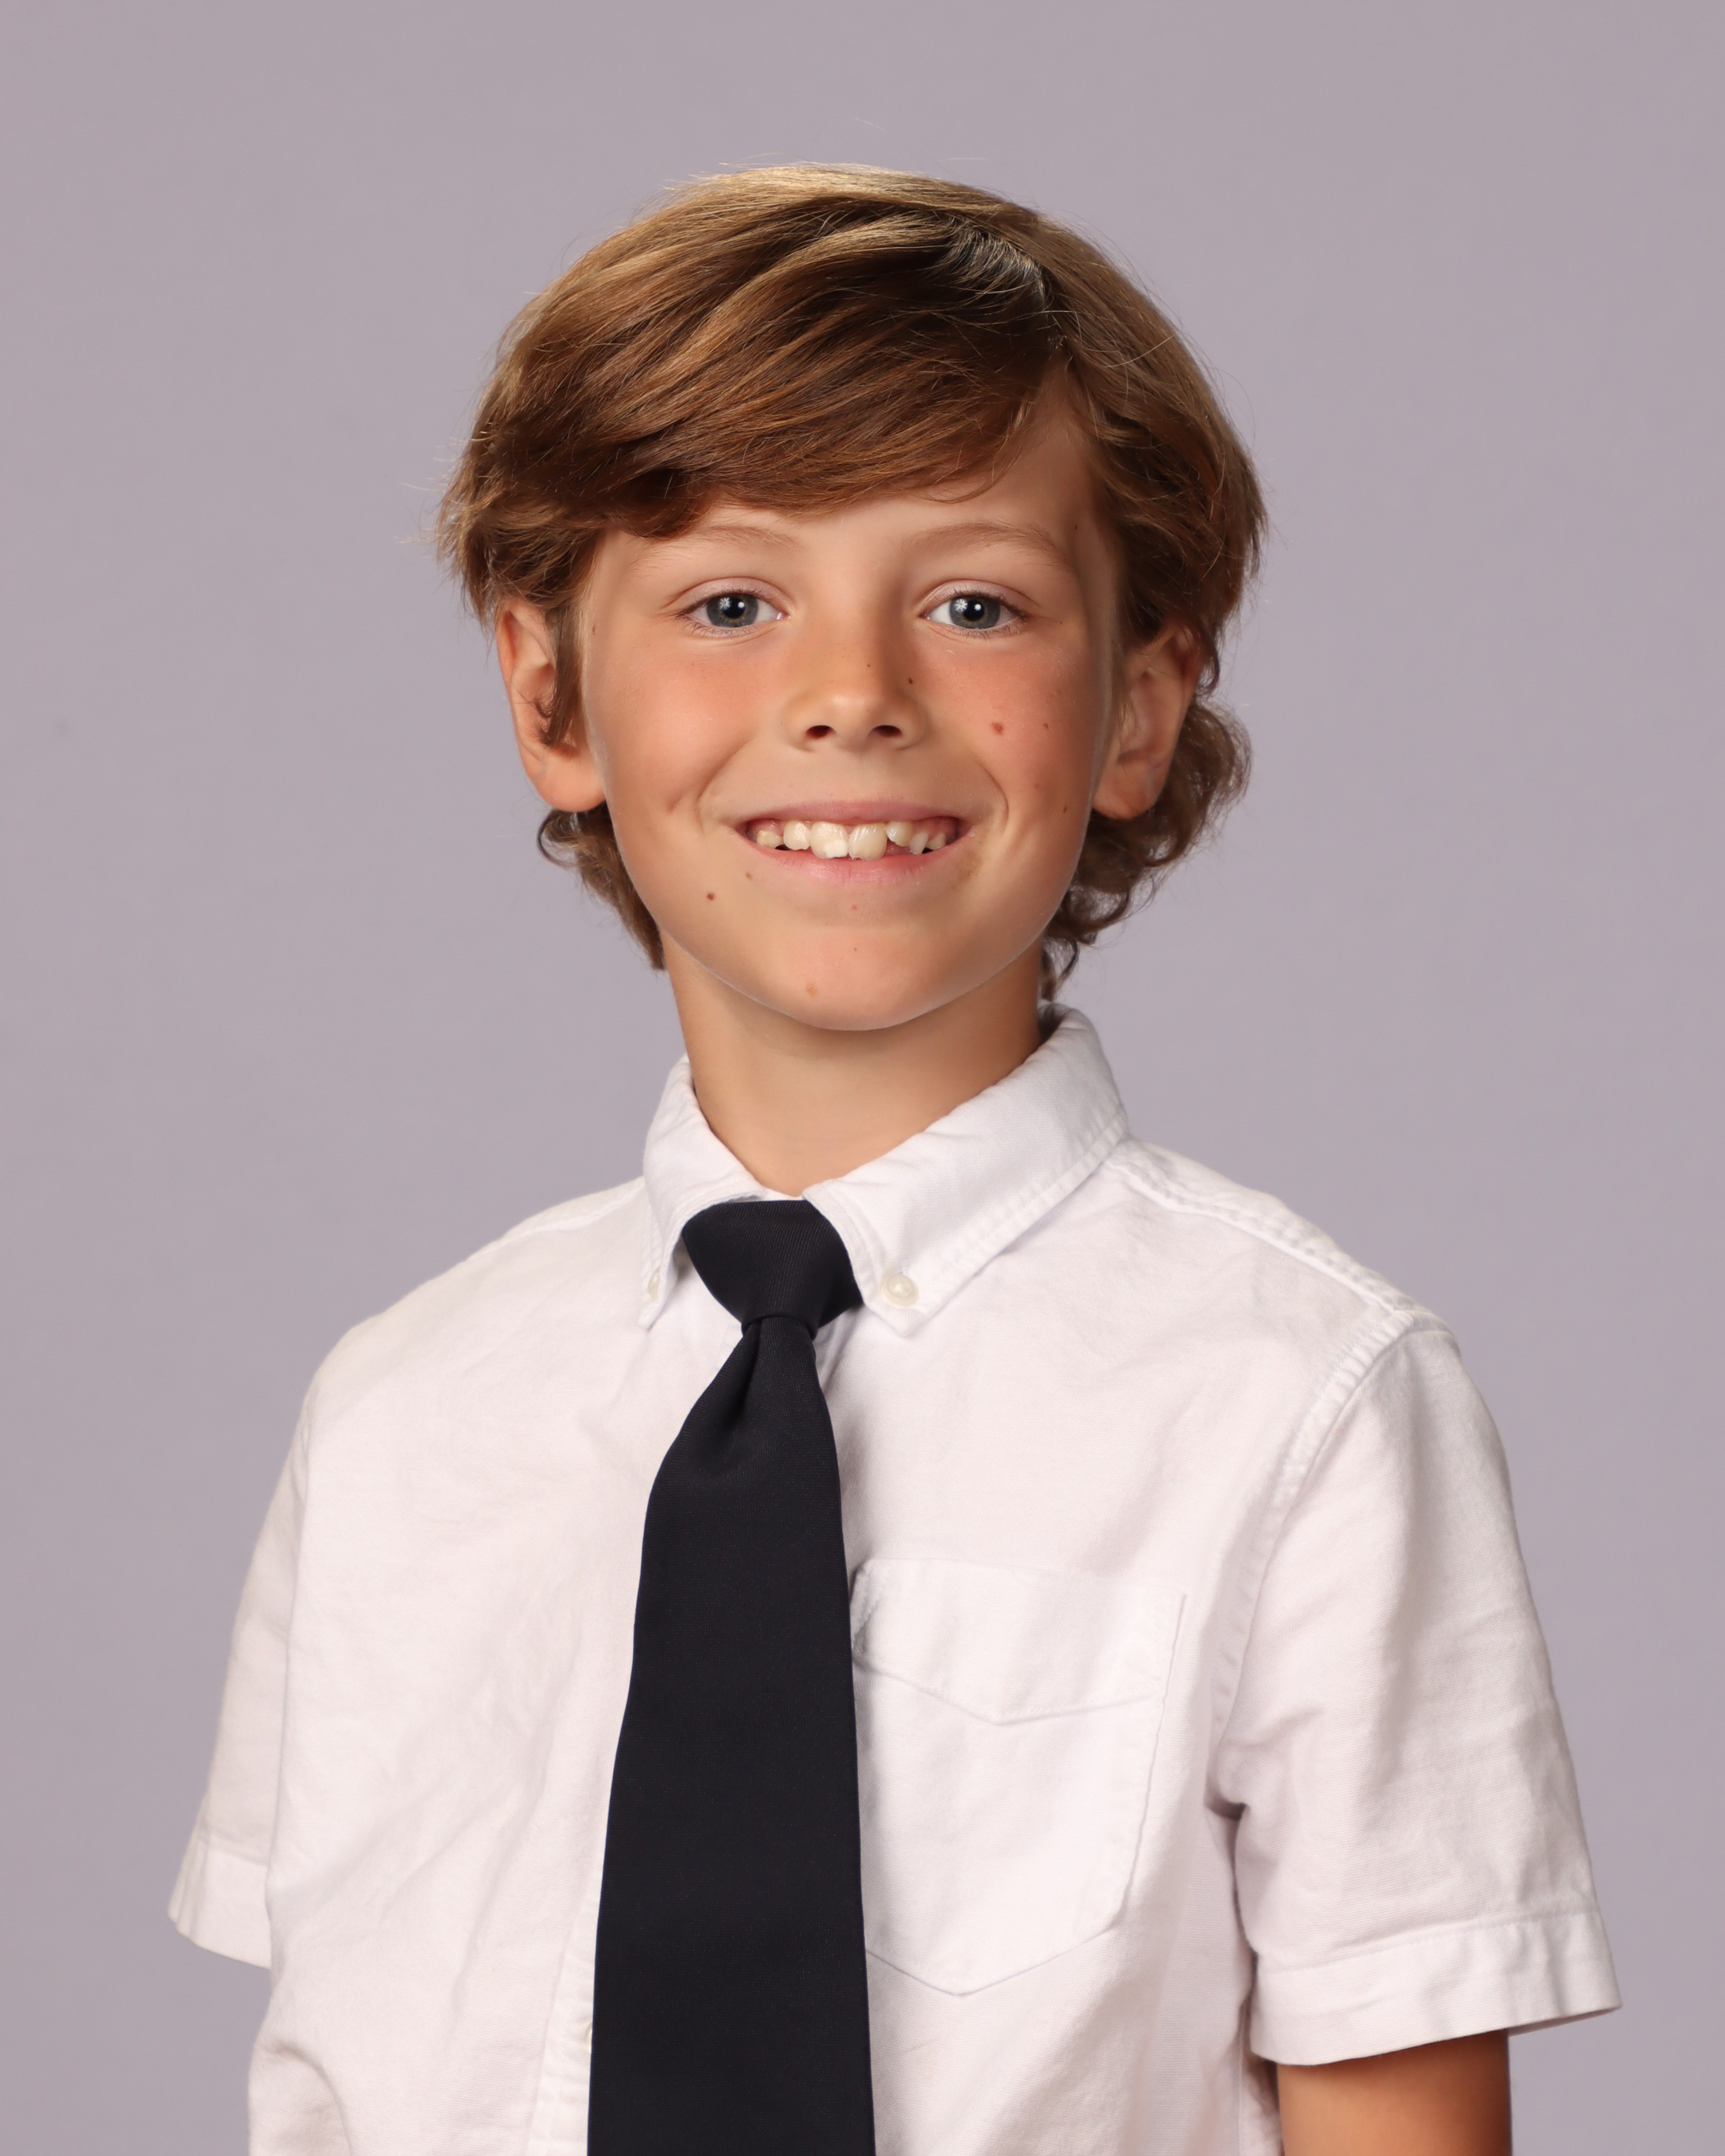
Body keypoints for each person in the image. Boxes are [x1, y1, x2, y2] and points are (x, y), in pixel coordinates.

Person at [172, 167, 1617, 2156]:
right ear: (548, 693)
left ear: (1139, 708)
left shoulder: (1304, 1403)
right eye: (731, 603)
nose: (852, 694)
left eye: (973, 606)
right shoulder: (399, 1418)